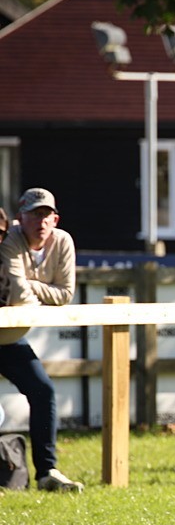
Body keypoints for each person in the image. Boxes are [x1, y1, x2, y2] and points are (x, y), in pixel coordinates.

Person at [0, 188, 81, 491]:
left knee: (43, 390)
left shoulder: (63, 241)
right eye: (34, 214)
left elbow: (65, 294)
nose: (41, 221)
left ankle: (47, 472)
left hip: (9, 337)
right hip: (8, 330)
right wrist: (39, 291)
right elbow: (22, 296)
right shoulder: (9, 240)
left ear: (55, 219)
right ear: (20, 219)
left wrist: (31, 286)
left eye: (46, 214)